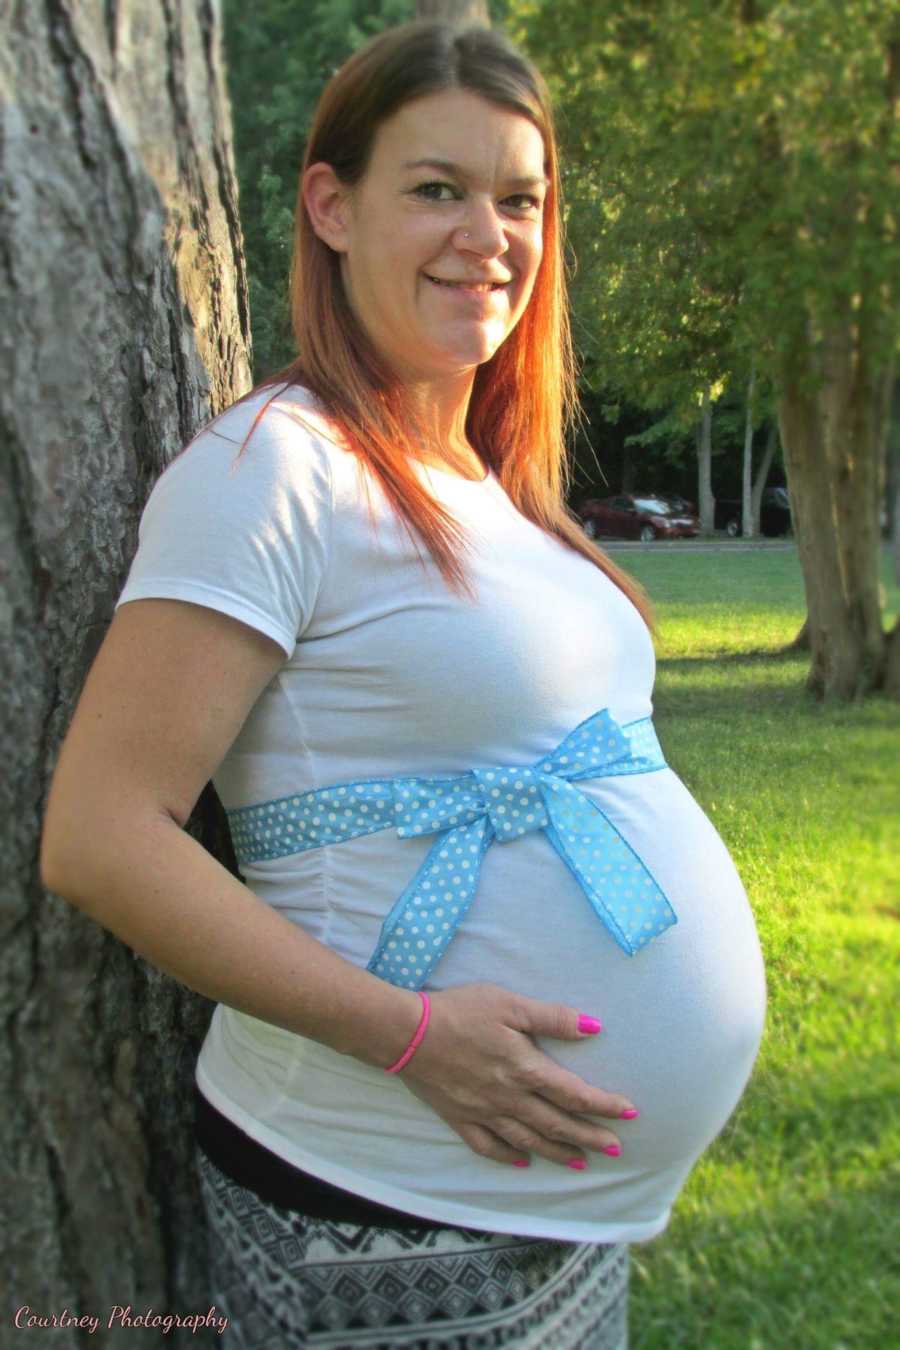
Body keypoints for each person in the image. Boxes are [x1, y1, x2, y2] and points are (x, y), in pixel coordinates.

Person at [40, 19, 767, 1349]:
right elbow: (101, 834)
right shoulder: (271, 468)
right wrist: (411, 1036)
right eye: (436, 189)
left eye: (520, 198)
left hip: (547, 1215)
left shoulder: (493, 484)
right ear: (330, 205)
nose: (486, 234)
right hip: (379, 1196)